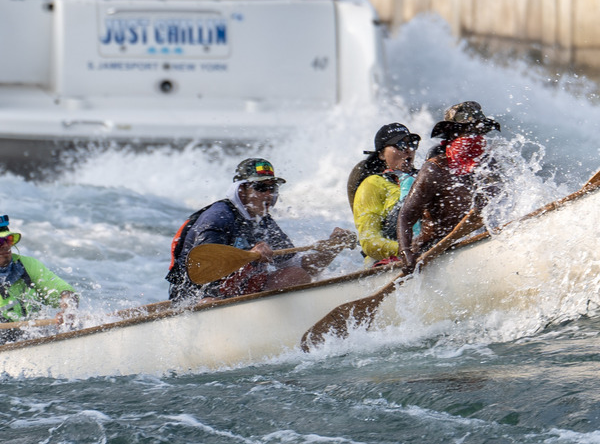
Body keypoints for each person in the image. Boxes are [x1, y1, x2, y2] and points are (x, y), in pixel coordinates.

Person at [165, 158, 354, 301]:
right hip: (196, 297)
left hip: (232, 291)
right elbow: (204, 268)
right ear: (242, 190)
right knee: (209, 300)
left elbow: (303, 268)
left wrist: (333, 247)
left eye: (273, 188)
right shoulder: (217, 218)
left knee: (296, 275)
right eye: (261, 188)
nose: (269, 195)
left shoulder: (264, 222)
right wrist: (249, 254)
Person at [397, 102, 502, 270]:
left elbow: (501, 205)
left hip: (472, 245)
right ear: (453, 135)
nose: (473, 136)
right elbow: (405, 217)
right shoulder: (435, 169)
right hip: (433, 250)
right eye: (467, 131)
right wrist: (406, 253)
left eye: (477, 131)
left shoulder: (488, 165)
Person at [349, 122, 420, 266]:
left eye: (412, 144)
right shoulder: (372, 185)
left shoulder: (424, 178)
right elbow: (369, 242)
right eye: (400, 144)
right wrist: (407, 249)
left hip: (429, 250)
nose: (408, 150)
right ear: (381, 154)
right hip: (391, 262)